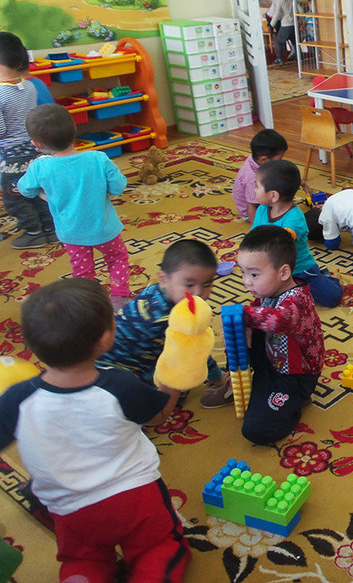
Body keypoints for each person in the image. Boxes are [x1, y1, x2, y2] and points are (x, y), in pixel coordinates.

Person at [0, 279, 189, 580]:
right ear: (105, 338)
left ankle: (81, 575)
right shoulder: (119, 385)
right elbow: (159, 415)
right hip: (134, 498)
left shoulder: (16, 399)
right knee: (158, 547)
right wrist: (176, 375)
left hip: (70, 510)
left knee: (83, 559)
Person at [95, 239, 232, 408]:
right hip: (123, 374)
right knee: (180, 382)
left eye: (207, 284)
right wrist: (217, 376)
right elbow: (193, 352)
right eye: (189, 285)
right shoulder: (166, 318)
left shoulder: (157, 290)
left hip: (105, 362)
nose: (198, 293)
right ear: (164, 278)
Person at [18, 104, 131, 307]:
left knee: (83, 271)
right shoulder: (98, 159)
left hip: (72, 233)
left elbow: (25, 189)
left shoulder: (40, 166)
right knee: (117, 259)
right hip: (105, 229)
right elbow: (118, 187)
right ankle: (119, 296)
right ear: (74, 130)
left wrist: (45, 193)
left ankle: (88, 303)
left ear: (37, 144)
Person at [235, 225, 325, 444]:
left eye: (254, 274)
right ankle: (255, 381)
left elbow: (280, 320)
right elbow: (259, 314)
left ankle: (297, 402)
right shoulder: (268, 290)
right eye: (243, 272)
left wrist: (243, 315)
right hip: (273, 357)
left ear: (284, 272)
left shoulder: (297, 300)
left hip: (294, 377)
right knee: (239, 330)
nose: (246, 281)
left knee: (255, 430)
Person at [251, 159, 342, 307]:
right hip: (274, 270)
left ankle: (325, 278)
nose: (254, 189)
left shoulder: (295, 217)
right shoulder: (262, 209)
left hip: (301, 270)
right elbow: (254, 236)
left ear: (274, 196)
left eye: (257, 186)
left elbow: (283, 241)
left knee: (332, 298)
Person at [0, 32, 56, 249]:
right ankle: (50, 229)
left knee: (15, 196)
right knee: (37, 191)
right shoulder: (30, 86)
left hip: (12, 156)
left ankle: (33, 232)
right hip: (35, 149)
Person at [232, 128, 288, 221]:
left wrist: (303, 184)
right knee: (284, 210)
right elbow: (251, 206)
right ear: (264, 159)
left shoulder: (256, 159)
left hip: (259, 195)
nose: (281, 160)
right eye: (280, 158)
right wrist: (256, 227)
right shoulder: (252, 179)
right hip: (251, 211)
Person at [267, 0, 295, 66]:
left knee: (278, 42)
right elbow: (300, 10)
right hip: (293, 24)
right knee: (295, 42)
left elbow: (277, 13)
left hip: (285, 25)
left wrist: (272, 24)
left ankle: (279, 59)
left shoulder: (280, 1)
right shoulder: (292, 0)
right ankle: (299, 57)